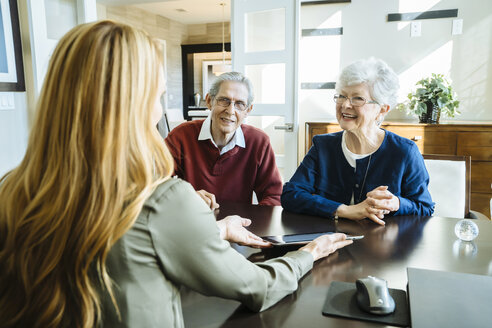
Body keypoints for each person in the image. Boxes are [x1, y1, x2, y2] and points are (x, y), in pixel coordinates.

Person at [0, 21, 353, 328]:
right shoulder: (162, 200)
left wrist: (214, 229)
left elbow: (124, 244)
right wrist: (309, 252)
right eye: (158, 96)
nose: (159, 109)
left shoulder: (10, 190)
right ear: (135, 103)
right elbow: (257, 287)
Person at [282, 57, 434, 225]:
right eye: (342, 96)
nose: (345, 105)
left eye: (357, 99)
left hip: (382, 246)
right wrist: (345, 210)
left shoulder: (404, 151)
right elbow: (291, 194)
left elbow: (425, 207)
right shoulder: (322, 146)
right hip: (328, 242)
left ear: (382, 109)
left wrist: (396, 203)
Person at [165, 72, 282, 209]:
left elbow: (273, 196)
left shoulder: (259, 142)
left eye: (240, 104)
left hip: (240, 226)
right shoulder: (181, 136)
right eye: (224, 100)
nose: (231, 110)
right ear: (209, 101)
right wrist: (185, 197)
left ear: (248, 110)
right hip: (191, 224)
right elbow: (156, 185)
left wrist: (250, 224)